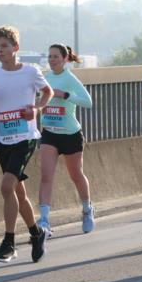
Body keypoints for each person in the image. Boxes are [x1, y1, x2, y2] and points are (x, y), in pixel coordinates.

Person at [0, 26, 52, 263]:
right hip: (3, 140)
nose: (0, 51)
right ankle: (36, 233)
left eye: (4, 46)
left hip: (26, 137)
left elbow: (47, 92)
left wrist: (37, 108)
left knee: (7, 187)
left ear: (16, 47)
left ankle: (9, 243)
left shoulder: (30, 71)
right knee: (18, 193)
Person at [37, 43, 95, 237]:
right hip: (49, 132)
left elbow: (88, 102)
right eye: (49, 56)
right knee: (46, 176)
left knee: (76, 175)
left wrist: (65, 95)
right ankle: (44, 220)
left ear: (65, 59)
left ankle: (87, 209)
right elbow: (38, 100)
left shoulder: (70, 78)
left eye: (55, 56)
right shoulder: (44, 78)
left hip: (70, 134)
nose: (52, 60)